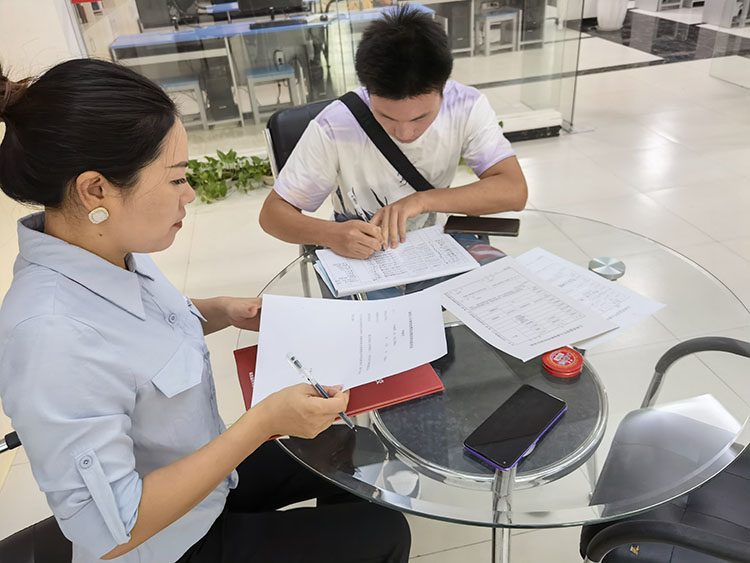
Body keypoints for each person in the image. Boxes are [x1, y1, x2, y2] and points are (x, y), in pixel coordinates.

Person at [0, 59, 410, 563]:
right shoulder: (48, 338)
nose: (190, 194)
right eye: (176, 179)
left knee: (351, 447)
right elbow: (111, 530)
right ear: (95, 190)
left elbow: (133, 335)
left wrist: (222, 310)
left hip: (207, 479)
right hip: (166, 543)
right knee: (385, 532)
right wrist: (261, 422)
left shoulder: (103, 246)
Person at [259, 5, 528, 260]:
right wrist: (330, 234)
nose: (405, 132)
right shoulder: (335, 125)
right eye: (386, 117)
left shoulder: (465, 106)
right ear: (367, 90)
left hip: (437, 240)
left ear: (443, 87)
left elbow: (514, 191)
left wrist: (423, 200)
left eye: (421, 117)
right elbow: (272, 214)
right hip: (363, 250)